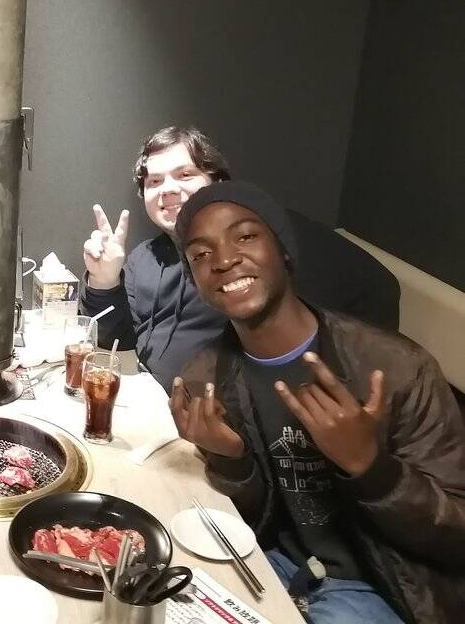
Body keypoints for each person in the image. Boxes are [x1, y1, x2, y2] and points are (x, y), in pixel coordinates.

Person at [169, 182, 465, 624]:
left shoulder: (398, 369)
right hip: (272, 563)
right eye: (200, 254)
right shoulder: (205, 376)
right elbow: (249, 520)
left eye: (245, 236)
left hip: (381, 586)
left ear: (283, 251)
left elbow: (456, 536)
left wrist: (373, 468)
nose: (224, 260)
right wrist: (231, 462)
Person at [80, 126, 400, 390]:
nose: (168, 189)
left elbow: (376, 286)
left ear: (217, 182)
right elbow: (115, 347)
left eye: (185, 174)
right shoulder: (144, 259)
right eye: (155, 181)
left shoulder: (265, 241)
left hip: (228, 426)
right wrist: (105, 280)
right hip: (154, 412)